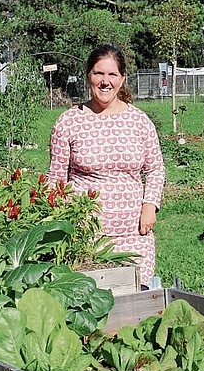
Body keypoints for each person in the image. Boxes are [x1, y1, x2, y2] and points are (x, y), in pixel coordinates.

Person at [47, 44, 166, 286]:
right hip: (85, 232)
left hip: (133, 232)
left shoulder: (139, 121)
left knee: (133, 302)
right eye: (98, 74)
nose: (105, 81)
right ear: (88, 76)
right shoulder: (68, 122)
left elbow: (155, 168)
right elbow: (56, 179)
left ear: (122, 79)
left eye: (112, 75)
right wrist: (59, 222)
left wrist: (150, 206)